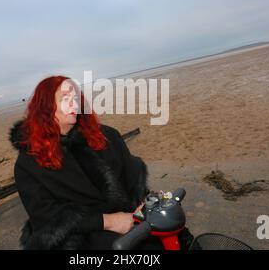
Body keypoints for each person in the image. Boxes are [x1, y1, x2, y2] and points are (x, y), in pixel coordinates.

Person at [9, 75, 163, 250]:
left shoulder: (107, 136)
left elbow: (133, 177)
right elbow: (46, 216)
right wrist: (109, 221)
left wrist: (142, 204)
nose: (74, 104)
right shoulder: (28, 163)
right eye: (65, 98)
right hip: (78, 236)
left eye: (75, 98)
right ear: (45, 107)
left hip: (130, 218)